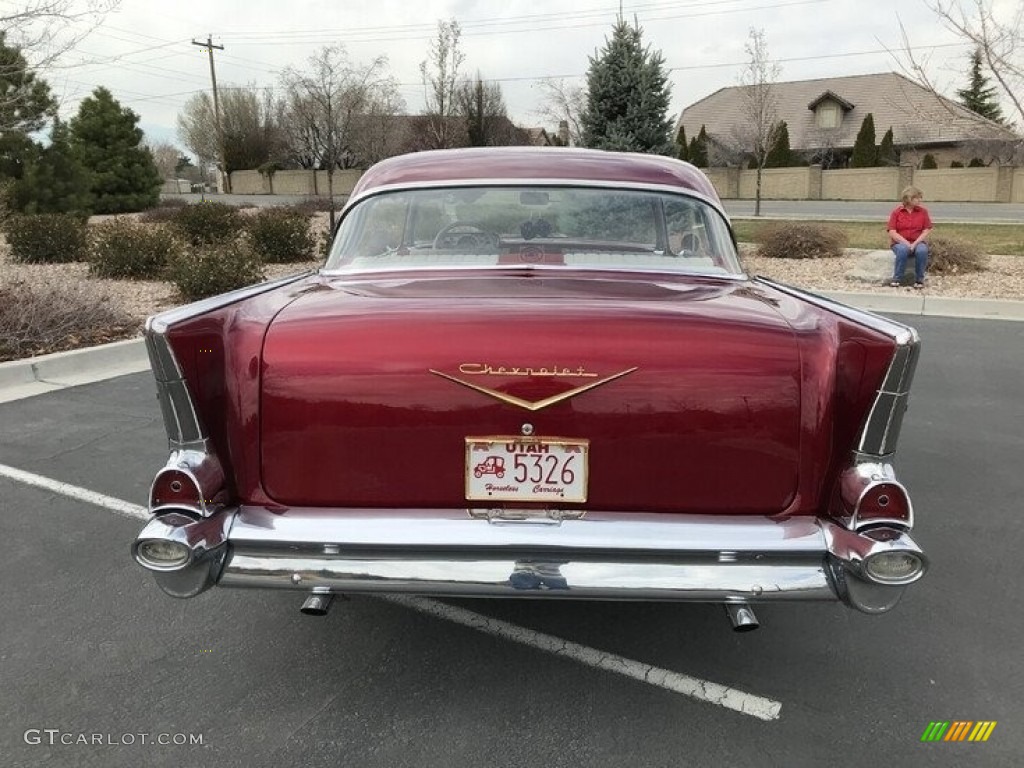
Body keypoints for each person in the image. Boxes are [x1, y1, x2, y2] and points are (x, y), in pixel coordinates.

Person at [887, 185, 932, 289]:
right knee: (902, 250)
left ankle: (919, 280)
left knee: (922, 251)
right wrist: (907, 243)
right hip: (899, 243)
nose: (920, 200)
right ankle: (897, 279)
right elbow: (892, 231)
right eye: (917, 198)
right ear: (909, 198)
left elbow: (926, 230)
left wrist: (915, 243)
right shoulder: (896, 212)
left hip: (918, 241)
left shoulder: (923, 212)